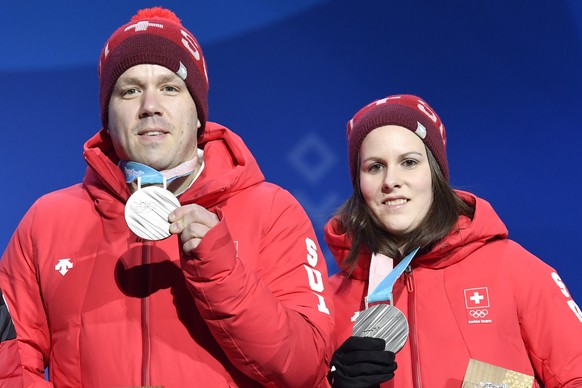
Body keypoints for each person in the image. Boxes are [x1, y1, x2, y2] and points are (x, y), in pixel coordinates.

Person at [0, 7, 335, 387]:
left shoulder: (272, 210)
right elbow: (10, 365)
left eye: (170, 87)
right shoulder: (47, 221)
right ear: (107, 119)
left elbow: (305, 366)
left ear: (198, 114)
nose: (150, 107)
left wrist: (222, 271)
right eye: (130, 91)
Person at [324, 94, 582, 387]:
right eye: (374, 167)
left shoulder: (512, 269)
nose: (390, 181)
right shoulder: (331, 299)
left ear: (435, 174)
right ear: (359, 184)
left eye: (409, 162)